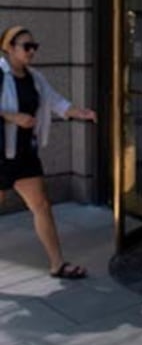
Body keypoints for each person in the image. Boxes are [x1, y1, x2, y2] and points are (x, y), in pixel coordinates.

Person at [0, 25, 97, 279]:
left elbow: (56, 102)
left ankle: (57, 264)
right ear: (9, 47)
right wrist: (13, 117)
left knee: (42, 206)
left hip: (25, 154)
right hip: (1, 154)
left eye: (34, 47)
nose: (32, 51)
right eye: (26, 46)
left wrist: (82, 113)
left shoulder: (34, 78)